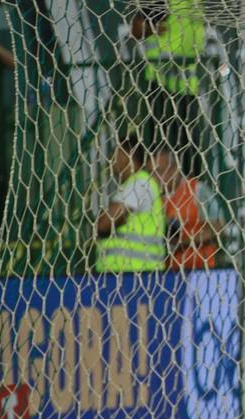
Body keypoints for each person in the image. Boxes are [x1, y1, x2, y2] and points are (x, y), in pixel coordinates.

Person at [129, 0, 205, 178]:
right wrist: (154, 29)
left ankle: (186, 199)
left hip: (187, 88)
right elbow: (136, 29)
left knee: (188, 153)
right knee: (161, 151)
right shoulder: (162, 2)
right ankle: (161, 198)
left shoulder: (196, 4)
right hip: (160, 86)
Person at [96, 135, 166, 273]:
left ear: (125, 155)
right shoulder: (138, 183)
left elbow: (104, 223)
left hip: (135, 273)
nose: (111, 161)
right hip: (129, 272)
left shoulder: (139, 183)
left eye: (114, 154)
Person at [152, 147, 224, 270]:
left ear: (175, 169)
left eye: (159, 171)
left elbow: (218, 228)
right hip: (170, 272)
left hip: (202, 268)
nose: (154, 177)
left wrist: (183, 242)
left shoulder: (198, 190)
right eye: (151, 172)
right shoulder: (153, 198)